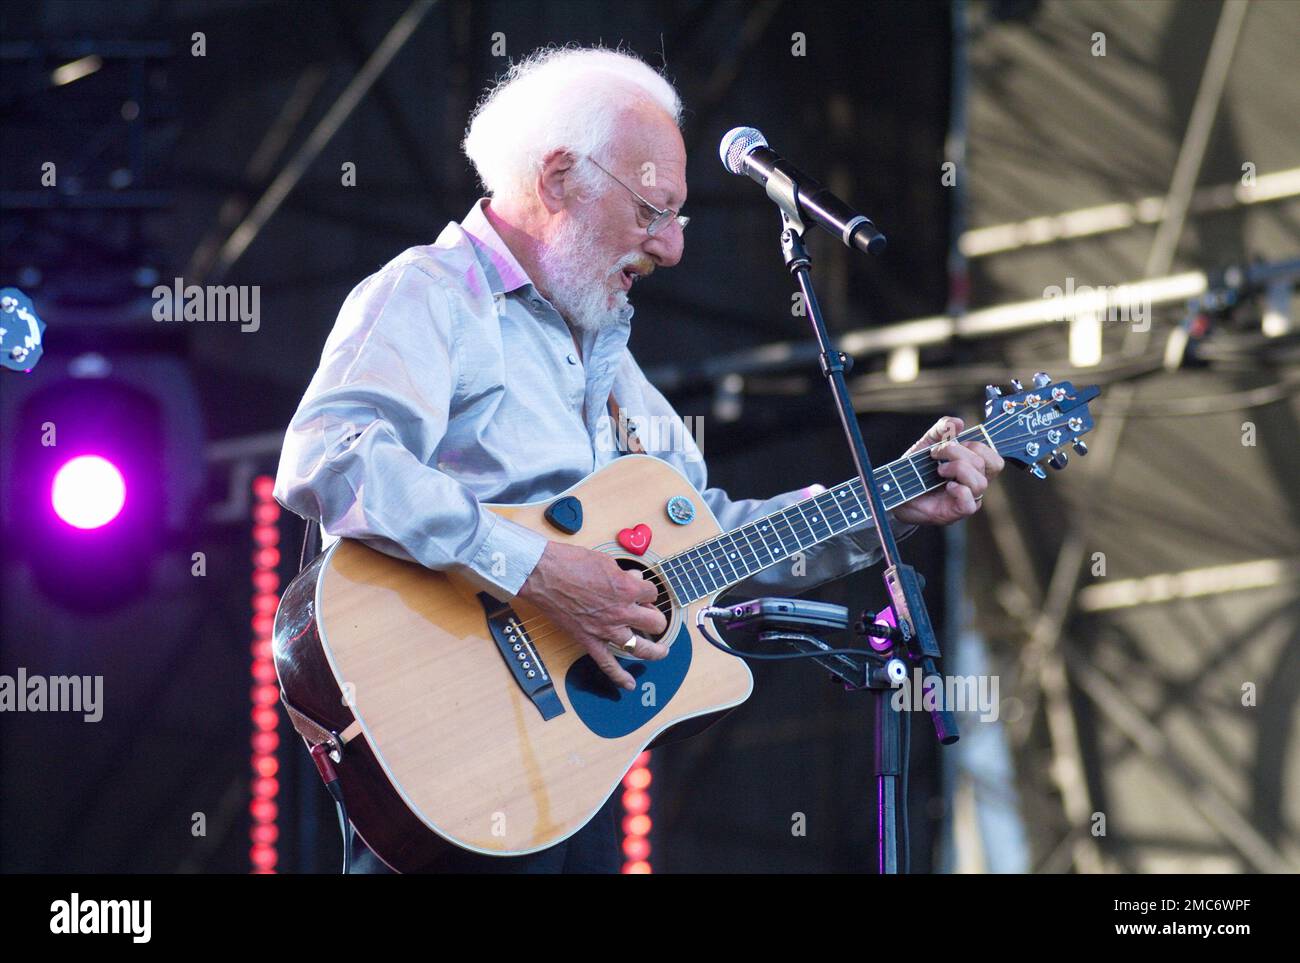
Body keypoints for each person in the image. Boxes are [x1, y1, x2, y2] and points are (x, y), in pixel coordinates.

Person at [273, 45, 1004, 874]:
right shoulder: (432, 294)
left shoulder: (611, 362)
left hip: (565, 770)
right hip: (448, 750)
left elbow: (710, 532)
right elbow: (330, 454)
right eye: (654, 210)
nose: (673, 248)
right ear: (557, 180)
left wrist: (888, 506)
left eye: (679, 219)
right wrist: (539, 571)